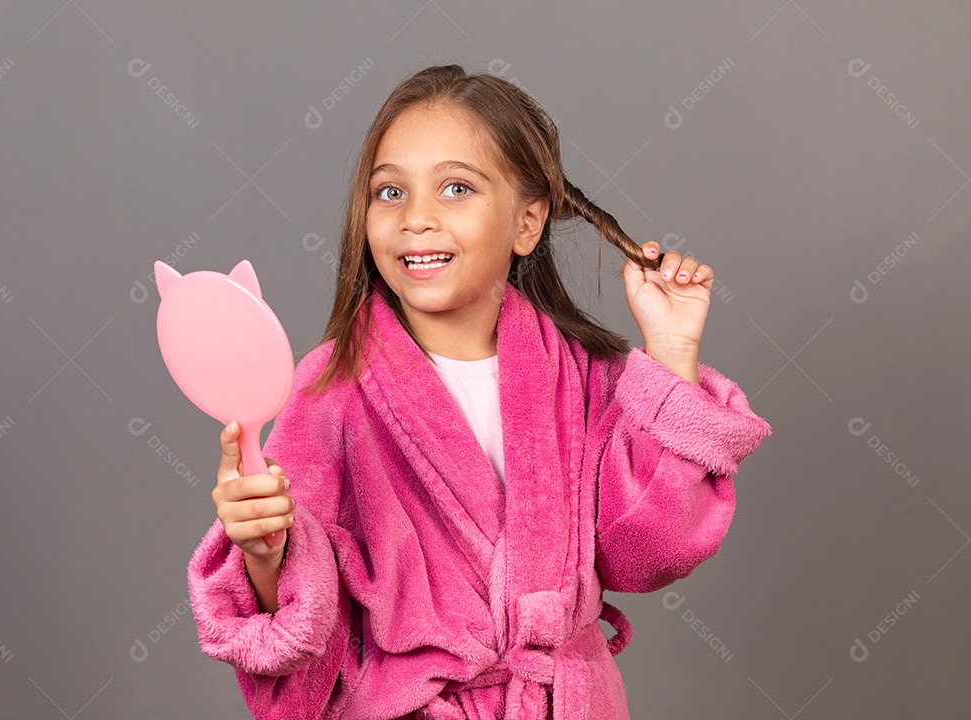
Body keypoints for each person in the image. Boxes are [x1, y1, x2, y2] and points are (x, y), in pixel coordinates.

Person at [187, 63, 773, 719]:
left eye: (456, 188)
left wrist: (671, 352)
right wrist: (267, 551)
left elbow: (648, 552)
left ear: (527, 223)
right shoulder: (331, 388)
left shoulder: (582, 376)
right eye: (390, 192)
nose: (416, 219)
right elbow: (300, 628)